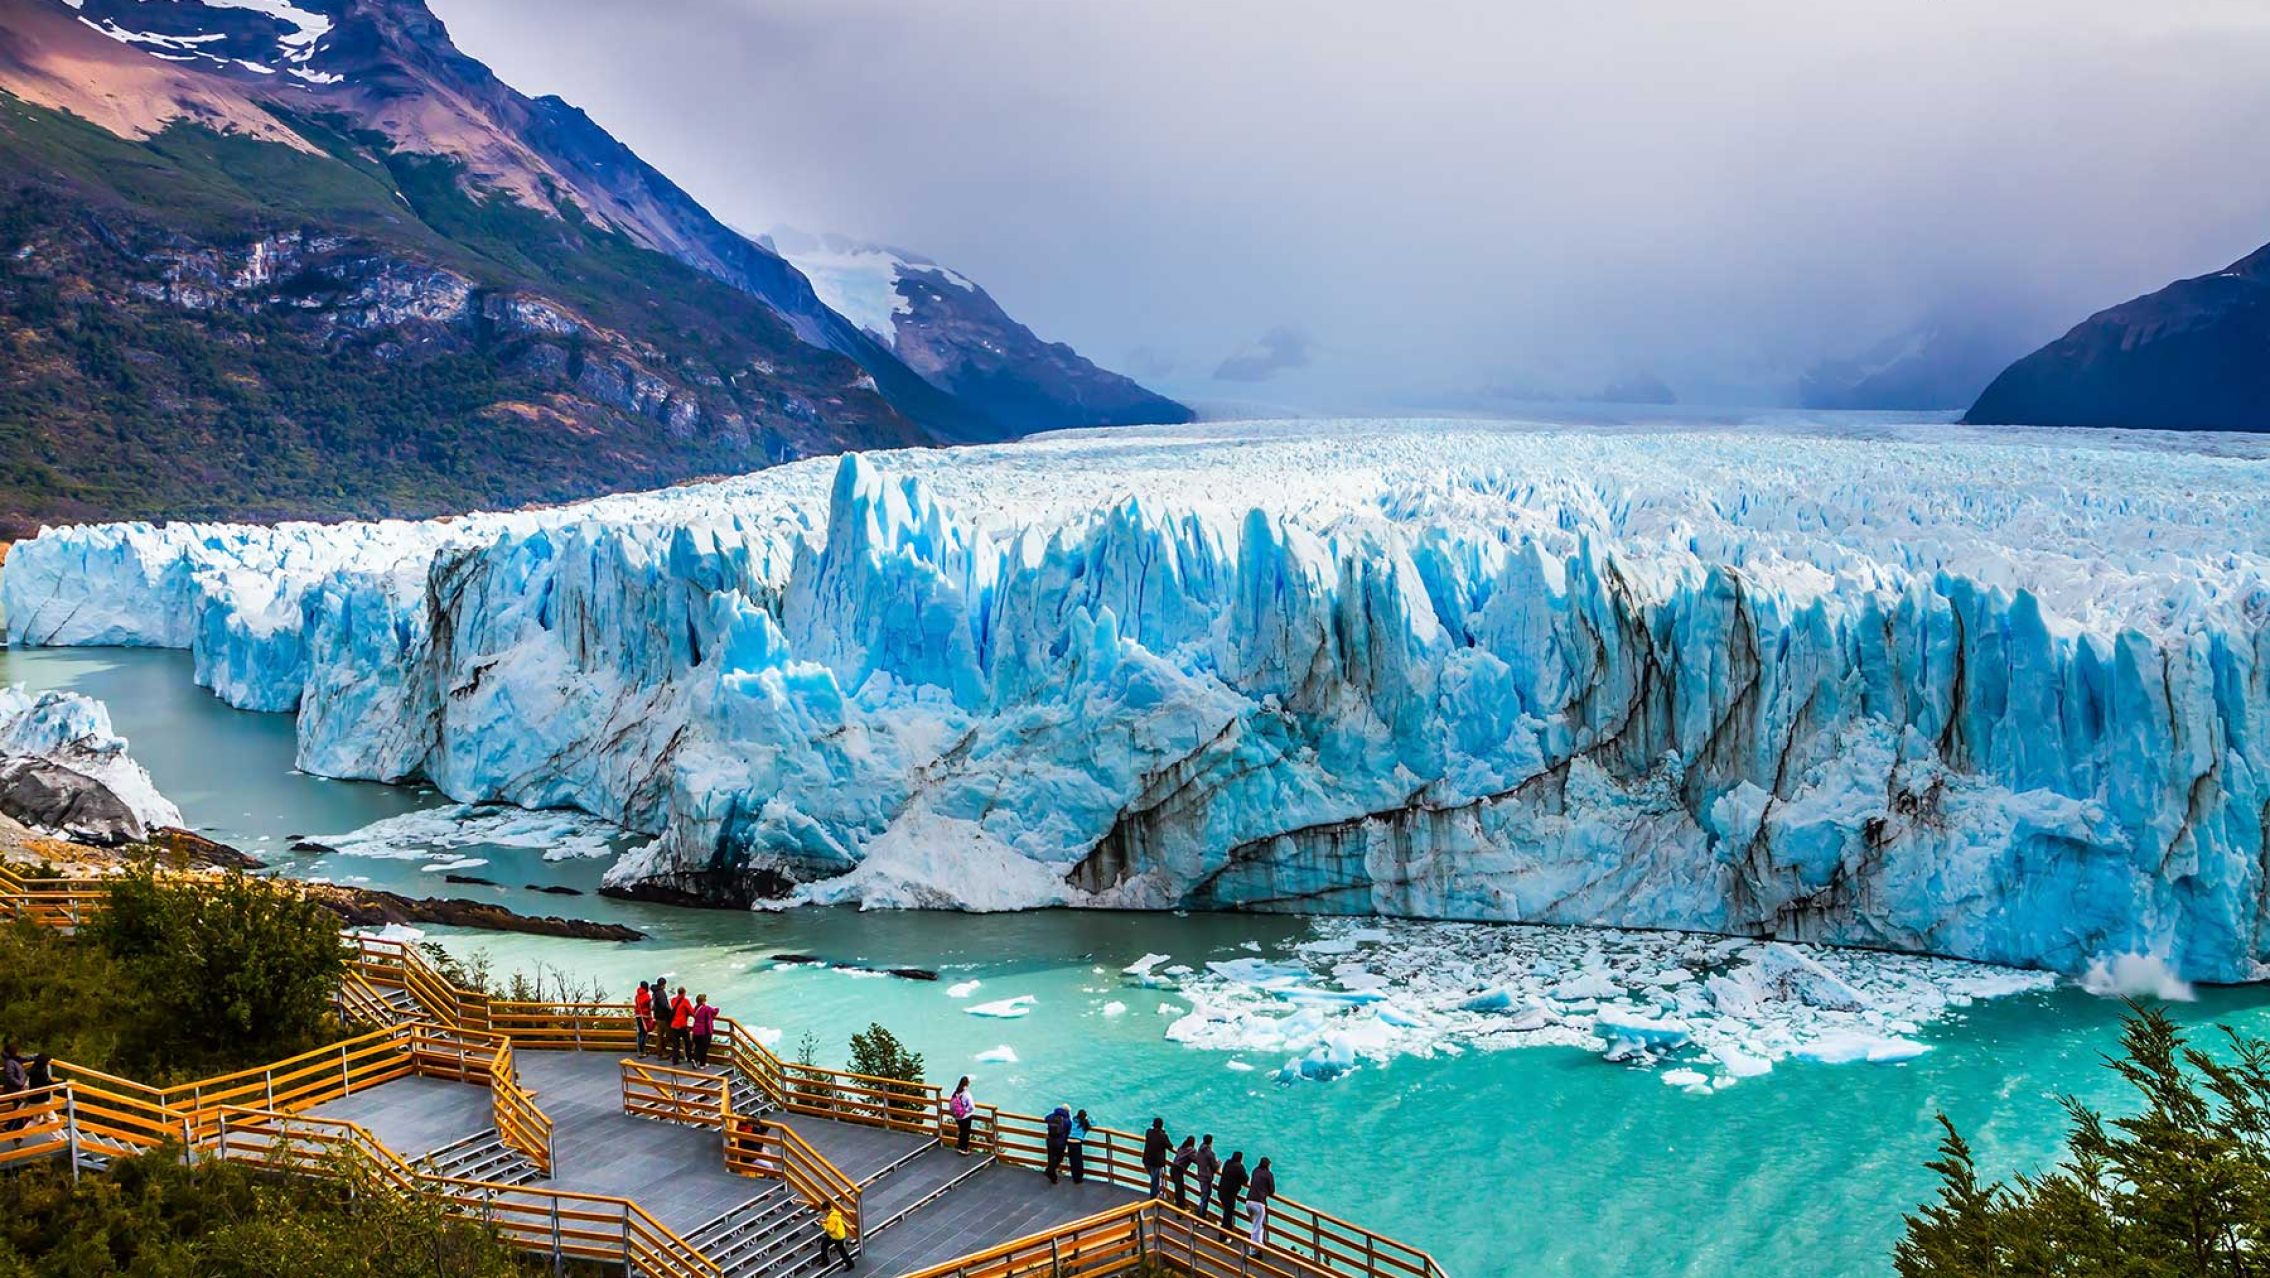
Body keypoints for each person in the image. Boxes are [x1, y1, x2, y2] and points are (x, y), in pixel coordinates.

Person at [1216, 1150, 1249, 1235]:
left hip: (1221, 1191)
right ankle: (1223, 1235)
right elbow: (1245, 1179)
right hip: (1229, 1195)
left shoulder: (1227, 1163)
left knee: (1227, 1212)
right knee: (1228, 1214)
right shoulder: (1239, 1167)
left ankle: (1229, 1229)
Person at [1246, 1157, 1276, 1246]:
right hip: (1258, 1203)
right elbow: (1272, 1190)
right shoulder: (1269, 1174)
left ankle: (1257, 1246)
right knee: (1257, 1228)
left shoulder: (1255, 1170)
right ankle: (1255, 1250)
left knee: (1256, 1226)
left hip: (1248, 1201)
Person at [817, 1205, 854, 1272]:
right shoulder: (834, 1213)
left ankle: (850, 1264)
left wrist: (823, 1224)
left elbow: (830, 1229)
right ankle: (850, 1264)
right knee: (825, 1245)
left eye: (824, 1210)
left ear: (826, 1210)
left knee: (841, 1251)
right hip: (839, 1234)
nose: (823, 1212)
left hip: (836, 1236)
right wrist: (825, 1222)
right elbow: (832, 1223)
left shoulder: (831, 1218)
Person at [1142, 1117, 1171, 1198]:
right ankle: (1154, 1197)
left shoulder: (1148, 1132)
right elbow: (1170, 1146)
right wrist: (1164, 1134)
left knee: (1154, 1180)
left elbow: (1154, 1134)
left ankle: (1156, 1194)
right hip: (1156, 1163)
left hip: (1147, 1160)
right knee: (1155, 1181)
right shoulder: (1163, 1136)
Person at [1043, 1104, 1072, 1184]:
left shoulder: (1053, 1115)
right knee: (1059, 1158)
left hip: (1050, 1140)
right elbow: (1069, 1129)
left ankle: (1050, 1171)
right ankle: (1051, 1172)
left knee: (1051, 1157)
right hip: (1060, 1142)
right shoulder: (1067, 1120)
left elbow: (1046, 1119)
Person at [948, 1077, 976, 1155]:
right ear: (967, 1084)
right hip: (965, 1117)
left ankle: (960, 1147)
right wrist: (965, 1111)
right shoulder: (966, 1094)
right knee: (966, 1133)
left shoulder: (955, 1091)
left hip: (957, 1116)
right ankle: (964, 1149)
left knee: (961, 1131)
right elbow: (971, 1106)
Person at [1, 1041, 24, 1134]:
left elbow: (26, 1058)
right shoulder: (10, 1062)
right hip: (14, 1089)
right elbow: (10, 1077)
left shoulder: (15, 1059)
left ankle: (13, 1127)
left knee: (19, 1108)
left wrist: (38, 1056)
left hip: (17, 1088)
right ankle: (11, 1127)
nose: (19, 1052)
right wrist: (20, 1084)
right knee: (20, 1109)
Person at [1193, 1135, 1220, 1215]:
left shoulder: (1200, 1150)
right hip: (1207, 1178)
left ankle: (1199, 1213)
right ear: (1210, 1142)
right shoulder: (1210, 1153)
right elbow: (1215, 1167)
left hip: (1200, 1175)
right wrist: (1219, 1163)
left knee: (1203, 1196)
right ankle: (1200, 1217)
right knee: (1205, 1198)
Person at [690, 993, 719, 1067]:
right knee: (704, 1047)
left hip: (695, 1030)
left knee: (697, 1046)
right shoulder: (706, 1008)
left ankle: (695, 1059)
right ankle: (702, 1064)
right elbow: (715, 1011)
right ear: (703, 1000)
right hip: (704, 1031)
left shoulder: (696, 1007)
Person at [1169, 1135, 1198, 1208]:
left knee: (1179, 1189)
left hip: (1172, 1168)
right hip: (1178, 1170)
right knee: (1180, 1190)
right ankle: (1180, 1208)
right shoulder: (1191, 1150)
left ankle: (1179, 1205)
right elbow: (1196, 1159)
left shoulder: (1181, 1147)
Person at [668, 986, 694, 1065]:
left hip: (673, 1025)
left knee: (676, 1044)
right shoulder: (685, 1001)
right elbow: (691, 1011)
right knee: (687, 1042)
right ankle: (689, 1057)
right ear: (683, 993)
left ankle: (675, 1060)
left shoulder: (673, 1000)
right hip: (681, 1025)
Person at [1068, 1108, 1092, 1184]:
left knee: (1072, 1160)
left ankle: (1074, 1177)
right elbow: (1094, 1123)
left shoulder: (1073, 1121)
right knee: (1078, 1161)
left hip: (1069, 1141)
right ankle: (1079, 1178)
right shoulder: (1085, 1123)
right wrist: (1089, 1118)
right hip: (1077, 1142)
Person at [634, 980, 655, 1058]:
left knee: (640, 1034)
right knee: (644, 1033)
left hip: (638, 1016)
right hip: (645, 1017)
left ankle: (640, 1051)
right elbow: (651, 1006)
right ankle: (642, 1051)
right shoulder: (647, 996)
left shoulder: (637, 996)